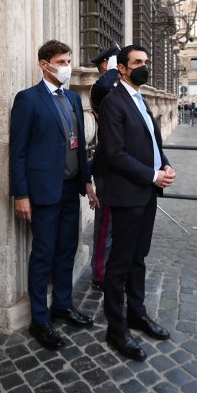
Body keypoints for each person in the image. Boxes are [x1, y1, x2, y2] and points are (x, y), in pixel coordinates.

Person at [9, 40, 99, 351]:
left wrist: (87, 182)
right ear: (44, 64)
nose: (67, 67)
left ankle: (63, 304)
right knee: (43, 254)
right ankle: (39, 318)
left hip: (70, 189)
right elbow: (17, 152)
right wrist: (20, 194)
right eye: (61, 61)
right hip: (42, 193)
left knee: (67, 249)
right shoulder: (27, 100)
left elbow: (80, 147)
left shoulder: (73, 98)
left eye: (69, 60)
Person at [96, 44, 176, 362]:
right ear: (123, 68)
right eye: (138, 62)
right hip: (128, 195)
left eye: (146, 60)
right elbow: (114, 154)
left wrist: (165, 165)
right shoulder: (114, 102)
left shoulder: (141, 101)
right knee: (119, 265)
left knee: (138, 259)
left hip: (147, 193)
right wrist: (152, 175)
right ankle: (116, 328)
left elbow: (154, 143)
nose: (144, 66)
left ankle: (137, 314)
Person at [88, 42, 121, 290]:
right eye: (116, 62)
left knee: (118, 226)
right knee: (104, 226)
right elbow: (101, 86)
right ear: (106, 65)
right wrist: (112, 70)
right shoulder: (101, 89)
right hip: (107, 168)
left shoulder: (119, 90)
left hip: (123, 168)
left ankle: (113, 269)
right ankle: (99, 273)